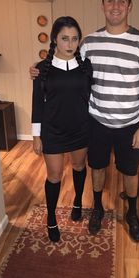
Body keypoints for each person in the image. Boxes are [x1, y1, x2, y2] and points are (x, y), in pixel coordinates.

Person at [30, 0, 139, 243]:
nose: (115, 5)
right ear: (102, 4)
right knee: (97, 168)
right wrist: (37, 69)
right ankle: (98, 208)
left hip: (130, 124)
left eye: (122, 0)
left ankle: (132, 214)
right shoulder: (89, 43)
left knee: (130, 172)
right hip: (96, 123)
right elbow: (62, 60)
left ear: (129, 6)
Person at [31, 16, 93, 242]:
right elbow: (37, 103)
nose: (70, 44)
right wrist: (36, 136)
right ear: (54, 39)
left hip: (80, 129)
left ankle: (77, 201)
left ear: (79, 41)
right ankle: (51, 217)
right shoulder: (41, 69)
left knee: (79, 166)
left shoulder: (86, 66)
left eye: (74, 39)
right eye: (65, 38)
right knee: (54, 176)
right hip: (53, 131)